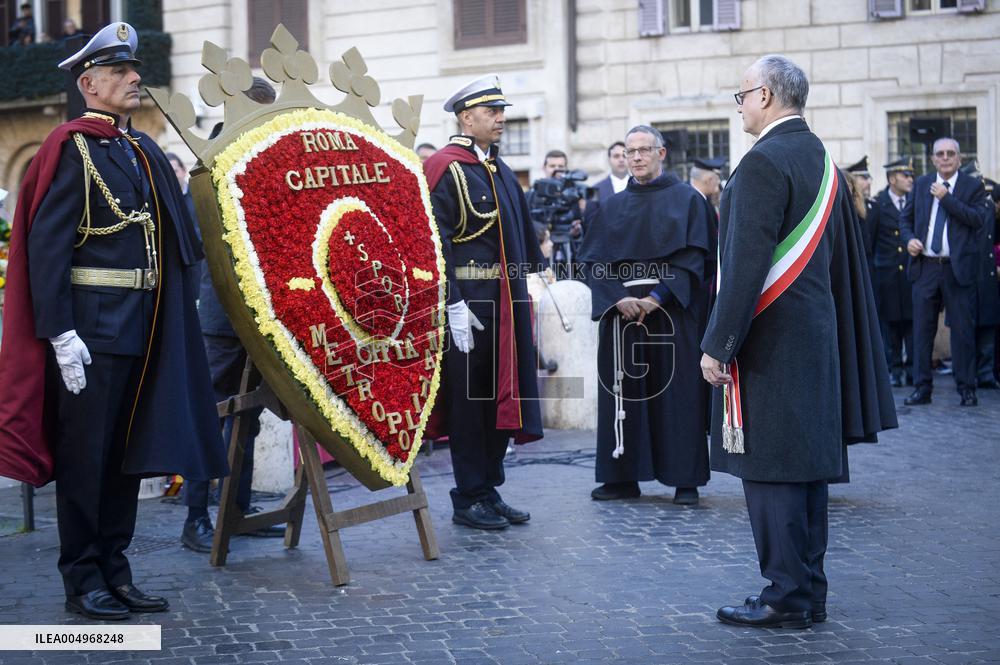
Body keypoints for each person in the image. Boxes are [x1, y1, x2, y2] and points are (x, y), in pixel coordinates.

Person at [0, 22, 227, 620]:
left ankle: (116, 570)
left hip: (144, 327)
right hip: (91, 332)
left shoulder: (141, 149)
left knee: (126, 454)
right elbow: (47, 248)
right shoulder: (69, 147)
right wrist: (60, 333)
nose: (135, 78)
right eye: (122, 71)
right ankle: (82, 579)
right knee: (87, 459)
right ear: (89, 82)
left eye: (134, 69)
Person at [700, 54, 895, 629]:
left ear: (764, 95)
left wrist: (719, 343)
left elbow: (744, 267)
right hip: (816, 336)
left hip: (771, 342)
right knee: (806, 473)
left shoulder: (762, 164)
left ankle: (784, 594)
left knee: (773, 471)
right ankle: (809, 591)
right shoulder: (821, 159)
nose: (740, 107)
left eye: (742, 97)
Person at [422, 74, 545, 530]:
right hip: (468, 308)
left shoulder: (497, 168)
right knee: (470, 405)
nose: (500, 119)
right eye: (491, 113)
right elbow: (434, 244)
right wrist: (452, 303)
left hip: (504, 304)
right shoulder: (443, 167)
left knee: (498, 399)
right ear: (465, 117)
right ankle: (466, 495)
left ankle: (489, 489)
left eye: (501, 112)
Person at [579, 125, 712, 505]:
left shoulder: (688, 200)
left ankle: (684, 478)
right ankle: (621, 477)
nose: (635, 157)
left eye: (643, 150)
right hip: (622, 316)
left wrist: (657, 296)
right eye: (629, 151)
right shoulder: (611, 206)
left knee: (678, 394)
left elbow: (695, 258)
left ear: (661, 153)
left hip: (671, 312)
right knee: (624, 394)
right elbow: (592, 261)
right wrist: (618, 298)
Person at [179, 77, 285, 553]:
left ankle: (236, 510)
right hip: (221, 317)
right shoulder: (210, 158)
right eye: (263, 112)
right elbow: (196, 238)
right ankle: (197, 517)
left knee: (249, 418)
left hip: (263, 317)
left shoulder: (268, 156)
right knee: (212, 415)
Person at [900, 138, 989, 407]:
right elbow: (905, 219)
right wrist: (909, 240)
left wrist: (946, 198)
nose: (946, 158)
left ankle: (967, 388)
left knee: (962, 331)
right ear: (933, 158)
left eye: (951, 154)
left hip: (957, 268)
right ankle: (922, 388)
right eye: (940, 154)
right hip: (926, 267)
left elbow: (977, 219)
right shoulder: (923, 183)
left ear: (959, 159)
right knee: (922, 330)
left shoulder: (972, 186)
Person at [866, 158, 915, 386]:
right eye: (905, 175)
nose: (910, 180)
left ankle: (914, 369)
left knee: (913, 326)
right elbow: (871, 241)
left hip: (910, 275)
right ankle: (895, 369)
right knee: (891, 327)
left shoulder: (915, 201)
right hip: (887, 276)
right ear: (893, 178)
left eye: (911, 176)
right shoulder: (879, 204)